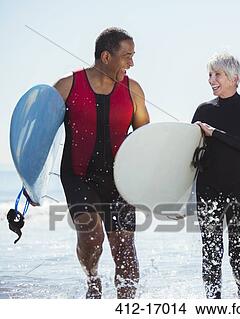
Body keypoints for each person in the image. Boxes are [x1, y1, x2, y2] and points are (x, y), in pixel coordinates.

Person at [53, 27, 150, 299]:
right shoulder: (67, 86)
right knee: (92, 237)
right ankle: (93, 278)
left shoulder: (132, 90)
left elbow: (145, 139)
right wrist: (30, 184)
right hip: (78, 175)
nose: (131, 63)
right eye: (127, 56)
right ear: (106, 56)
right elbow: (41, 134)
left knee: (125, 251)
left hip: (121, 178)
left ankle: (125, 306)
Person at [192, 53, 240, 298]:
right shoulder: (203, 110)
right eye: (210, 74)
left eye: (217, 74)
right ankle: (213, 305)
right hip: (208, 187)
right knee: (211, 251)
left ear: (235, 78)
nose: (212, 79)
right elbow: (188, 152)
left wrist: (215, 134)